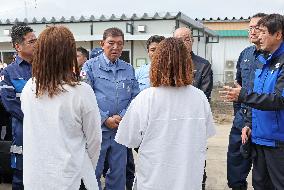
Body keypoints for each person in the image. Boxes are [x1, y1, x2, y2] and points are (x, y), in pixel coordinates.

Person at [115, 37, 215, 189]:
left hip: (154, 180)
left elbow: (129, 138)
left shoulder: (146, 98)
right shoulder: (199, 97)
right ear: (187, 63)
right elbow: (205, 133)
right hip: (189, 180)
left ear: (157, 63)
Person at [21, 26, 102, 190]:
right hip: (72, 179)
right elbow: (95, 140)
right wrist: (85, 168)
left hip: (36, 179)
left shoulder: (29, 88)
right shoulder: (81, 91)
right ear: (69, 54)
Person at [222, 14, 284, 190]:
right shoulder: (263, 61)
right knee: (259, 185)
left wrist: (243, 96)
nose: (257, 34)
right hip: (259, 137)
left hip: (278, 141)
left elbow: (279, 99)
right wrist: (249, 122)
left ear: (277, 34)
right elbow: (256, 94)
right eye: (254, 29)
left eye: (263, 31)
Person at [82, 27, 140, 190]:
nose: (116, 47)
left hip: (120, 130)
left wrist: (122, 117)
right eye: (111, 43)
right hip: (97, 130)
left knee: (118, 172)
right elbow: (85, 97)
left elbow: (135, 97)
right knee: (94, 171)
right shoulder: (89, 67)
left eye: (120, 44)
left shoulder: (128, 68)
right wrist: (104, 119)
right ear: (102, 44)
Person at [226, 13, 267, 190]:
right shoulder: (246, 54)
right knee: (235, 175)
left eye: (255, 27)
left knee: (263, 178)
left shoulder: (273, 56)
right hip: (240, 121)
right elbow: (238, 87)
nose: (251, 31)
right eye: (249, 28)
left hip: (262, 122)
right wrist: (238, 115)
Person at [0, 23, 36, 190]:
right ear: (17, 46)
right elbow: (10, 104)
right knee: (20, 180)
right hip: (22, 135)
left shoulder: (45, 69)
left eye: (36, 41)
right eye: (31, 41)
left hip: (46, 135)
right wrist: (36, 120)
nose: (36, 44)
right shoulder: (8, 73)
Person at [174, 27, 213, 101]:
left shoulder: (203, 65)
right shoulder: (168, 63)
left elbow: (205, 93)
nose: (183, 43)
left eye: (187, 39)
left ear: (192, 41)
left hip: (194, 108)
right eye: (179, 40)